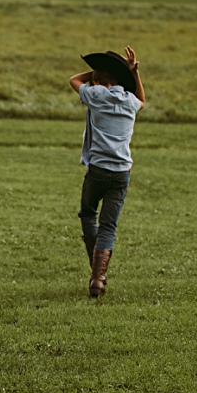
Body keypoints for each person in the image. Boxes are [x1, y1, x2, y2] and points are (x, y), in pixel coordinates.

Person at [69, 45, 145, 299]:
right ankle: (98, 279)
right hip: (122, 171)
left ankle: (95, 268)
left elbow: (74, 80)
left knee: (88, 212)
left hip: (97, 169)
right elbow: (142, 101)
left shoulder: (96, 95)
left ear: (99, 81)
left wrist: (95, 75)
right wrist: (132, 73)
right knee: (108, 226)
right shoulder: (130, 102)